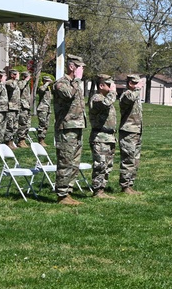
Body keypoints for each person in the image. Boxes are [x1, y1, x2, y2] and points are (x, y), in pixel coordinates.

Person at [52, 54, 86, 206]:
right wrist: (77, 80)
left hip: (77, 127)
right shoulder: (61, 83)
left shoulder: (75, 84)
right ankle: (61, 194)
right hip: (66, 128)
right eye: (79, 67)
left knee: (74, 162)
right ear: (72, 67)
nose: (82, 71)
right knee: (65, 161)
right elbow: (67, 95)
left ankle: (68, 192)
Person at [88, 74, 118, 198]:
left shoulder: (106, 98)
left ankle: (102, 188)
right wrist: (113, 92)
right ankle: (97, 190)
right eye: (109, 85)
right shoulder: (97, 98)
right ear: (101, 85)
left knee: (107, 165)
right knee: (100, 165)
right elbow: (105, 104)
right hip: (100, 136)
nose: (112, 88)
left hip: (109, 137)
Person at [118, 74, 145, 195]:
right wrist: (138, 88)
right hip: (128, 132)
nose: (139, 86)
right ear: (130, 83)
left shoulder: (135, 95)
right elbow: (129, 99)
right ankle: (125, 186)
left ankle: (130, 184)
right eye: (136, 83)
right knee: (128, 159)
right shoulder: (127, 95)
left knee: (135, 160)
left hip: (137, 131)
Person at [34, 74, 54, 146]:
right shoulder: (42, 87)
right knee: (42, 124)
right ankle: (40, 140)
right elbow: (41, 90)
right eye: (47, 81)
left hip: (47, 109)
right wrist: (47, 83)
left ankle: (43, 139)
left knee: (46, 125)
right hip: (42, 108)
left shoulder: (48, 88)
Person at [5, 66, 21, 149]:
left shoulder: (15, 82)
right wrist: (17, 79)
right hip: (10, 107)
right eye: (15, 74)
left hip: (16, 107)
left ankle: (11, 141)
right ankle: (8, 142)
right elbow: (12, 87)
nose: (16, 76)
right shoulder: (9, 82)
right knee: (9, 126)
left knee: (15, 126)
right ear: (11, 75)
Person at [16, 70, 33, 147]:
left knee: (27, 124)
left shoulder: (27, 84)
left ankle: (24, 139)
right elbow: (20, 87)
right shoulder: (21, 82)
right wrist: (25, 80)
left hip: (27, 106)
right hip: (22, 106)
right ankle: (20, 140)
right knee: (22, 123)